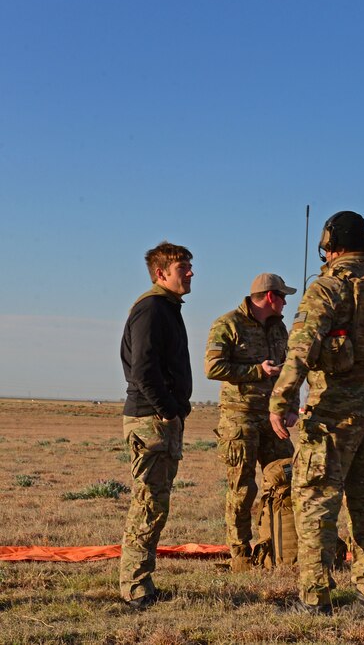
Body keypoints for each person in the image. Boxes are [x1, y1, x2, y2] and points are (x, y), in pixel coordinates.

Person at [269, 211, 364, 618]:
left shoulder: (327, 287)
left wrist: (281, 399)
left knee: (316, 501)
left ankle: (315, 598)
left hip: (333, 415)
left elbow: (299, 349)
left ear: (329, 244)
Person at [118, 241, 194, 609]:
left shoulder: (166, 308)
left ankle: (141, 583)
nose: (191, 273)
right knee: (147, 505)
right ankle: (135, 588)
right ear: (162, 273)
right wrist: (167, 411)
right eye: (184, 267)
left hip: (159, 418)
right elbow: (143, 370)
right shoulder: (151, 309)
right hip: (151, 421)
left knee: (155, 504)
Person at [205, 273, 298, 571]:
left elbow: (289, 372)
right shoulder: (228, 324)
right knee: (242, 490)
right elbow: (213, 367)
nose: (286, 302)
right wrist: (257, 370)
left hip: (274, 419)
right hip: (240, 419)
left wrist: (292, 406)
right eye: (283, 296)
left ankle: (282, 547)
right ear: (271, 297)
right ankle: (241, 554)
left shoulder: (280, 329)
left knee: (287, 480)